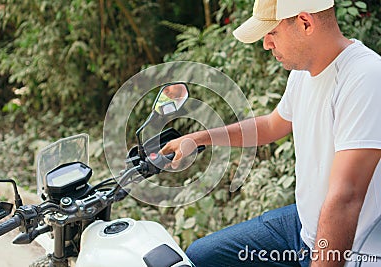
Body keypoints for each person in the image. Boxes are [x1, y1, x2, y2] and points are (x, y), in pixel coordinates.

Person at [160, 0, 381, 266]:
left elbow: (346, 196)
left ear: (305, 22)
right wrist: (198, 138)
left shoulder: (365, 76)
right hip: (304, 225)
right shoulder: (304, 72)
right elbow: (271, 125)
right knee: (201, 256)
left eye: (271, 33)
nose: (266, 44)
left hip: (350, 247)